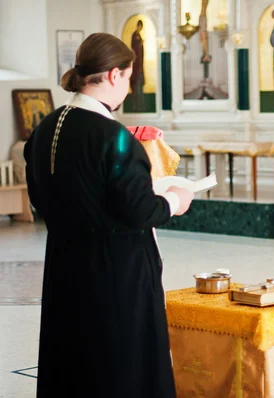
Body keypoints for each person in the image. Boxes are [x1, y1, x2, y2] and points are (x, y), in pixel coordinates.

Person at [24, 32, 194, 398]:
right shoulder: (112, 137)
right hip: (116, 277)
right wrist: (176, 200)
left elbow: (40, 197)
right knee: (121, 367)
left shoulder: (45, 129)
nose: (128, 89)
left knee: (74, 363)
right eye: (129, 78)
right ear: (115, 74)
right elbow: (139, 209)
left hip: (65, 268)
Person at [130, 19, 145, 112]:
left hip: (139, 64)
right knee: (136, 88)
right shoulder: (135, 35)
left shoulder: (138, 35)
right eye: (139, 25)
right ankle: (135, 106)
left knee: (140, 88)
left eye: (141, 26)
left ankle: (140, 106)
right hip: (136, 65)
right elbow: (134, 47)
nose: (140, 27)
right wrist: (140, 43)